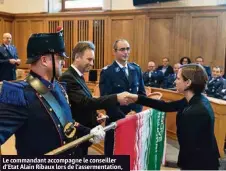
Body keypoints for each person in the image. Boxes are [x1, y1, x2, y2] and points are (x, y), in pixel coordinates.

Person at [0, 33, 105, 155]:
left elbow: (67, 124)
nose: (63, 63)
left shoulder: (59, 87)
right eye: (60, 58)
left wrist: (88, 133)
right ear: (44, 60)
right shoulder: (19, 94)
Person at [126, 64, 220, 170]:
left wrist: (183, 165)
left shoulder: (196, 111)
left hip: (200, 164)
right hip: (199, 160)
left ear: (188, 83)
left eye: (178, 78)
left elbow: (189, 146)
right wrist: (137, 98)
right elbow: (167, 106)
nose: (175, 81)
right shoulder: (194, 99)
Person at [59, 41, 129, 155]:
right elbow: (85, 102)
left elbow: (81, 103)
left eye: (93, 60)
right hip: (76, 136)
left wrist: (96, 115)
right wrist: (116, 98)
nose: (92, 63)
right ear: (77, 57)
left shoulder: (78, 76)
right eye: (89, 59)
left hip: (84, 136)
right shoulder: (68, 77)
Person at [99, 39, 146, 155]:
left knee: (131, 154)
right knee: (114, 155)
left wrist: (135, 111)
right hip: (116, 122)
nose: (126, 52)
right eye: (122, 49)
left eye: (127, 49)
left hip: (134, 120)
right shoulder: (107, 72)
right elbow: (106, 100)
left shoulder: (136, 69)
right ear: (114, 52)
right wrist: (124, 117)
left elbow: (142, 95)